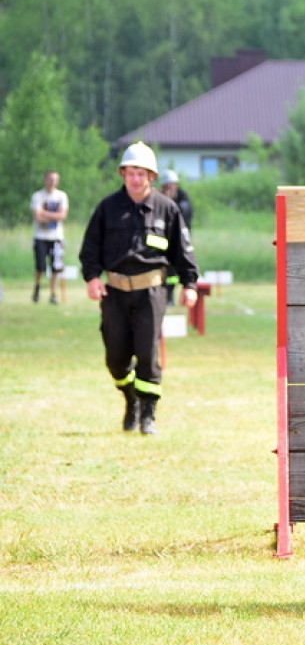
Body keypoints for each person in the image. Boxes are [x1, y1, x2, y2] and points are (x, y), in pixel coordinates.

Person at [79, 142, 200, 435]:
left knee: (147, 353)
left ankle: (148, 414)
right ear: (123, 173)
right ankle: (130, 398)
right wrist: (92, 278)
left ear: (151, 177)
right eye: (131, 173)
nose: (135, 179)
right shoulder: (107, 208)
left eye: (141, 174)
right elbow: (90, 248)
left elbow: (183, 251)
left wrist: (190, 283)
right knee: (116, 358)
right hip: (115, 292)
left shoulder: (167, 209)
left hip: (152, 292)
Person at [30, 170, 69, 305]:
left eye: (55, 179)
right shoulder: (38, 196)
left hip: (56, 237)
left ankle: (53, 293)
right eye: (50, 179)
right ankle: (37, 286)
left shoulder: (61, 196)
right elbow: (37, 216)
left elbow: (62, 216)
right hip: (41, 236)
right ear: (45, 180)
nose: (52, 182)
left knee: (56, 267)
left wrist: (44, 214)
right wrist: (53, 215)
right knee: (40, 266)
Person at [159, 169, 195, 303]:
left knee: (174, 271)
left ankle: (170, 295)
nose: (171, 188)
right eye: (168, 185)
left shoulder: (183, 198)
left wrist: (168, 201)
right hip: (161, 240)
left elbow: (179, 215)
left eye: (172, 185)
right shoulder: (158, 197)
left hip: (178, 240)